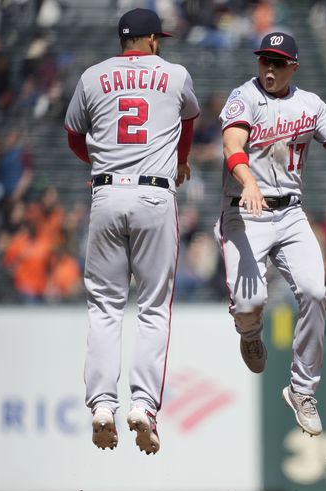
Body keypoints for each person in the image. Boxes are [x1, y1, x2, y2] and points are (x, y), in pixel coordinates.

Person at [215, 31, 326, 437]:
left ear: (293, 66)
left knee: (314, 291)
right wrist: (248, 181)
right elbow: (231, 143)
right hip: (243, 210)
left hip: (289, 213)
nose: (268, 69)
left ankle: (303, 389)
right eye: (264, 61)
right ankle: (249, 330)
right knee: (250, 301)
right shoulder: (245, 97)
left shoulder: (311, 104)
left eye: (277, 62)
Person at [64, 8, 200, 454]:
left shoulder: (92, 77)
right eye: (157, 37)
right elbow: (189, 121)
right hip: (154, 196)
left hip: (106, 194)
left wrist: (106, 161)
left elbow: (72, 135)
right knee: (153, 307)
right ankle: (143, 405)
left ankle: (102, 404)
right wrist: (179, 161)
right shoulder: (175, 75)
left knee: (105, 306)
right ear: (150, 40)